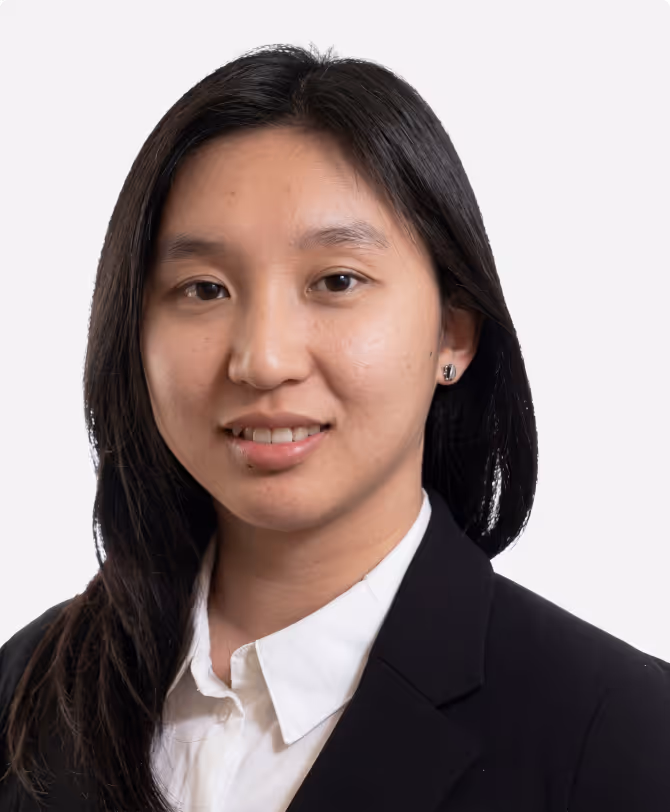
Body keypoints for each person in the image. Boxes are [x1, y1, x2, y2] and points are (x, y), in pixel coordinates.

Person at [1, 43, 668, 812]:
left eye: (336, 281)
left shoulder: (623, 732)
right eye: (204, 288)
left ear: (454, 332)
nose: (262, 359)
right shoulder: (26, 689)